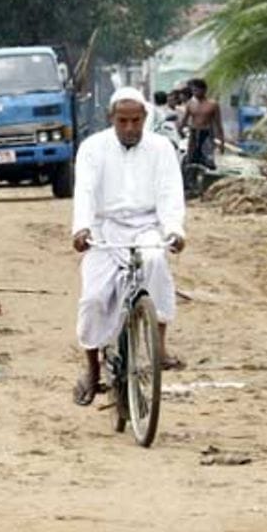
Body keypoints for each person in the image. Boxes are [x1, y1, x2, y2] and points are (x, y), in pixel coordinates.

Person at [71, 87, 187, 406]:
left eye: (136, 121)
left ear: (145, 118)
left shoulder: (161, 148)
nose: (130, 128)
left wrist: (174, 230)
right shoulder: (93, 148)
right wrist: (81, 228)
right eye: (123, 121)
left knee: (155, 264)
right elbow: (85, 192)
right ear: (112, 119)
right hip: (105, 229)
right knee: (94, 297)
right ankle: (92, 370)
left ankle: (158, 344)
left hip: (147, 226)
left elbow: (169, 193)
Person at [179, 79, 225, 170]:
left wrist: (221, 142)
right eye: (193, 90)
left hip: (207, 134)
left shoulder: (213, 104)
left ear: (204, 90)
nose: (194, 93)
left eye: (196, 90)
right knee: (191, 160)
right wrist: (181, 132)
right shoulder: (190, 104)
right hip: (194, 133)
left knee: (208, 161)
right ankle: (190, 180)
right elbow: (184, 121)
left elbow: (218, 124)